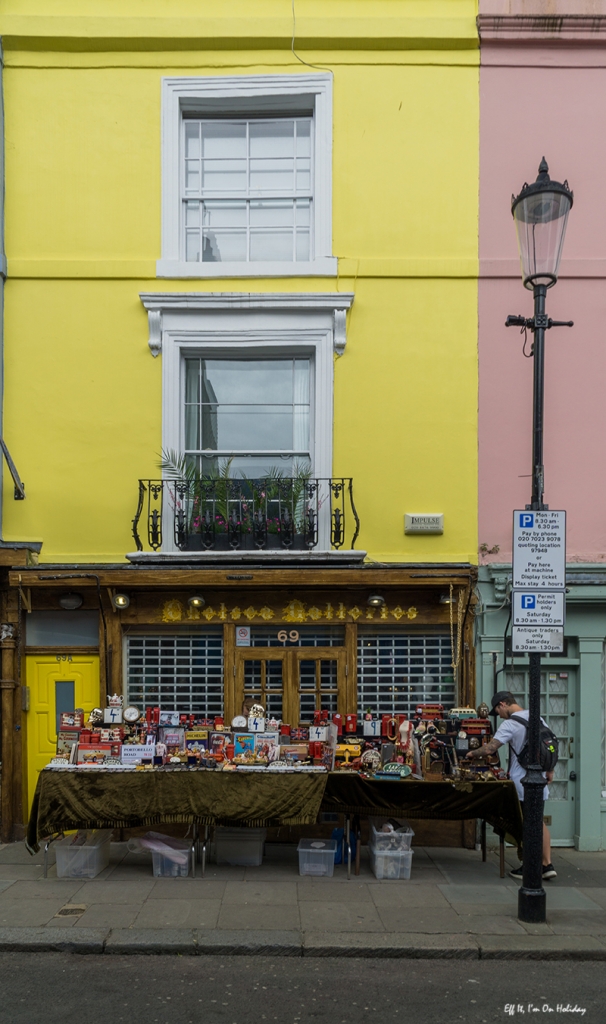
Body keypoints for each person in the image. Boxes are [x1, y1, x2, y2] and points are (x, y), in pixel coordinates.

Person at [465, 690, 556, 881]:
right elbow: (550, 745)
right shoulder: (537, 717)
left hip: (522, 783)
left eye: (497, 710)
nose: (498, 715)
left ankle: (530, 867)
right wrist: (550, 770)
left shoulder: (511, 723)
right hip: (540, 780)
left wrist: (472, 754)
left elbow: (491, 748)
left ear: (503, 705)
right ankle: (547, 864)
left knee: (525, 825)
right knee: (538, 822)